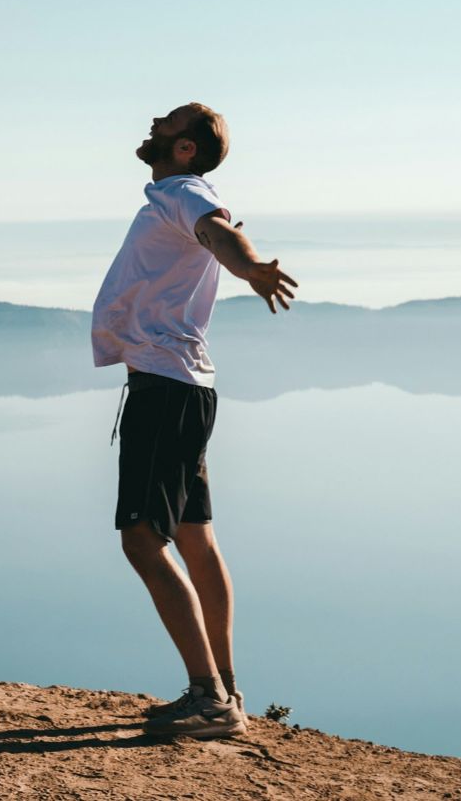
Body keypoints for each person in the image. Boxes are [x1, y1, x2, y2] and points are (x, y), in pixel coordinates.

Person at [90, 102, 297, 740]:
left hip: (164, 388)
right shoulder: (174, 194)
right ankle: (225, 688)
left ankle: (209, 701)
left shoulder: (185, 192)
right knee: (193, 535)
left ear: (185, 149)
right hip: (180, 385)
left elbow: (220, 232)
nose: (153, 124)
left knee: (141, 539)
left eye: (167, 123)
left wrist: (249, 266)